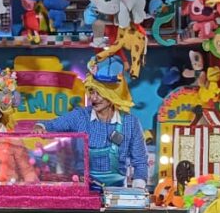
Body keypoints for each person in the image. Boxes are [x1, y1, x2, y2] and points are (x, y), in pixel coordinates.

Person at [35, 56, 148, 188]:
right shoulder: (80, 116)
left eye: (99, 93)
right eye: (91, 92)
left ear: (113, 94)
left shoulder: (131, 123)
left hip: (116, 192)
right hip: (84, 190)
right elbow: (50, 125)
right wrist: (40, 126)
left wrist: (138, 190)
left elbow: (140, 161)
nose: (93, 98)